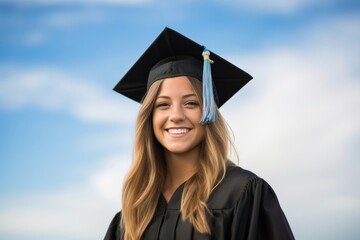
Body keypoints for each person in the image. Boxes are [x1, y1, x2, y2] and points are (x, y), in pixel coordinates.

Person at [104, 27, 295, 240]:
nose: (176, 115)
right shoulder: (132, 214)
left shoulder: (242, 193)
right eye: (163, 105)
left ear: (209, 114)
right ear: (149, 117)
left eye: (191, 103)